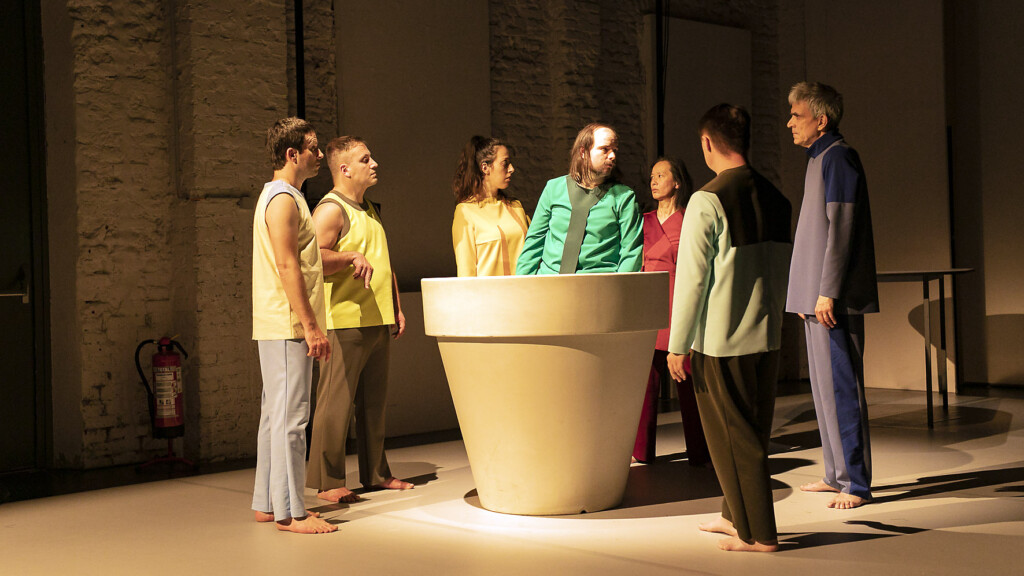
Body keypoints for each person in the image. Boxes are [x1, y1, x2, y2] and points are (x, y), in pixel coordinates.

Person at [666, 104, 792, 552]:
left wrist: (677, 345)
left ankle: (759, 534)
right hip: (768, 335)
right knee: (750, 430)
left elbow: (692, 279)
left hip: (723, 340)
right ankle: (733, 515)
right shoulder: (777, 198)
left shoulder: (708, 199)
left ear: (707, 143)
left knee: (736, 438)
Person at [785, 81, 878, 510]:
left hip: (829, 298)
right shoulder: (818, 159)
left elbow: (841, 229)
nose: (790, 122)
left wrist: (827, 292)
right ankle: (835, 474)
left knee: (842, 388)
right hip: (813, 295)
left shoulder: (840, 158)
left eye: (797, 115)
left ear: (820, 121)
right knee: (822, 389)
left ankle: (856, 483)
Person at [306, 136, 413, 504]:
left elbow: (383, 260)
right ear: (345, 168)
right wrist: (349, 255)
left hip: (376, 317)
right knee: (335, 403)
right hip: (344, 320)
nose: (374, 164)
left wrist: (396, 308)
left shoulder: (367, 208)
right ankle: (327, 480)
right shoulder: (331, 210)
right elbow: (314, 259)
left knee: (373, 403)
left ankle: (377, 474)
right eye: (366, 159)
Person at [251, 117, 337, 534]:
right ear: (292, 154)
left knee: (276, 414)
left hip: (280, 323)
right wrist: (311, 327)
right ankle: (290, 511)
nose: (319, 155)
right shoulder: (283, 199)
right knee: (291, 417)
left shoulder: (285, 196)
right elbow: (288, 265)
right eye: (314, 148)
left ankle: (268, 502)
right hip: (287, 324)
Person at [631, 157, 710, 466]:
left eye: (661, 175)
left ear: (677, 182)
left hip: (680, 304)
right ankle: (642, 451)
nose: (653, 180)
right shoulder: (643, 220)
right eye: (652, 176)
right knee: (645, 385)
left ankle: (700, 451)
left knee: (688, 384)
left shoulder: (690, 218)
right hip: (650, 306)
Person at [514, 123, 642, 275]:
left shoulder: (623, 197)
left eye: (614, 150)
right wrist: (523, 286)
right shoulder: (554, 189)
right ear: (583, 151)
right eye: (604, 149)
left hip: (598, 286)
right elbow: (534, 242)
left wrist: (619, 293)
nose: (612, 156)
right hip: (551, 283)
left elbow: (631, 252)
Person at [451, 136, 530, 276]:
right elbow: (465, 273)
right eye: (505, 163)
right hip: (489, 296)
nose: (511, 169)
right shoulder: (466, 212)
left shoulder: (516, 207)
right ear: (485, 167)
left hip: (525, 293)